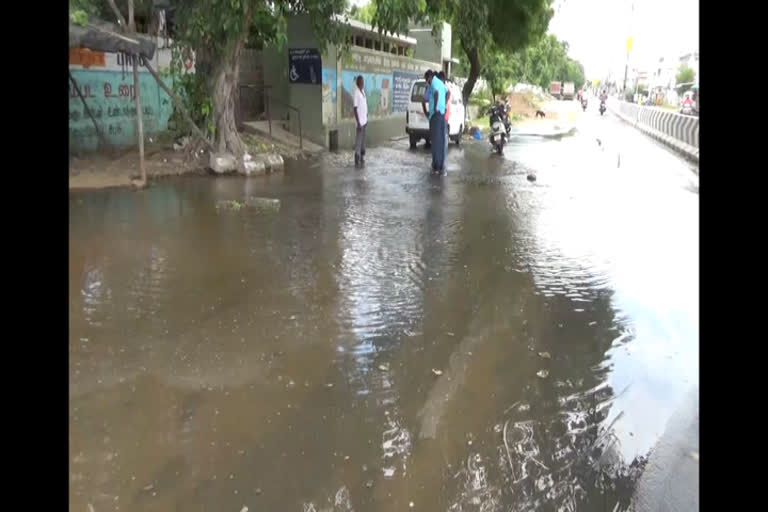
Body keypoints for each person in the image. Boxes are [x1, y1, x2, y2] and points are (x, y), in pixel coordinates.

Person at [422, 70, 447, 173]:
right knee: (441, 141)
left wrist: (435, 107)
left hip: (435, 115)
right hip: (442, 114)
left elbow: (436, 93)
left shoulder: (433, 83)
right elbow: (447, 92)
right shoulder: (441, 83)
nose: (427, 82)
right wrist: (443, 105)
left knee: (435, 141)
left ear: (429, 77)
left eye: (426, 80)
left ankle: (436, 166)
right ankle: (440, 165)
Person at [353, 75, 367, 168]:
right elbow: (355, 108)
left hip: (364, 120)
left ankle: (362, 156)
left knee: (363, 140)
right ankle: (356, 157)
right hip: (359, 122)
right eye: (361, 82)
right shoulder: (356, 93)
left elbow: (364, 105)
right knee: (358, 140)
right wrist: (358, 122)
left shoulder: (363, 92)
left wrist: (366, 116)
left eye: (363, 82)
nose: (362, 83)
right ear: (358, 83)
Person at [438, 71, 450, 158]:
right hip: (443, 115)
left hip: (443, 115)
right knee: (442, 137)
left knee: (442, 137)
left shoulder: (443, 86)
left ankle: (442, 158)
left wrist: (444, 104)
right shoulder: (443, 86)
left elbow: (448, 93)